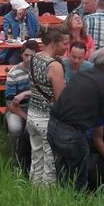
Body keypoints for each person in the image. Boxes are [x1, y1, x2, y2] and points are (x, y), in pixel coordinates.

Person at [48, 49, 104, 188]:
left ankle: (60, 197)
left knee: (62, 174)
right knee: (78, 181)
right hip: (71, 134)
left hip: (53, 126)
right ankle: (74, 200)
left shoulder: (83, 75)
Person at [27, 26, 70, 185]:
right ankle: (47, 196)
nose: (67, 47)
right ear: (53, 43)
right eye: (64, 43)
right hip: (46, 119)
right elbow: (61, 99)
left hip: (32, 115)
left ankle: (34, 190)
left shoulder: (34, 58)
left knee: (36, 158)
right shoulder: (54, 66)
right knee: (50, 164)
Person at [4, 39, 39, 171]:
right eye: (26, 55)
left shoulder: (40, 70)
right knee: (15, 129)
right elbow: (10, 103)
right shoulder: (13, 72)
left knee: (30, 130)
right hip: (17, 109)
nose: (29, 59)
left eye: (32, 55)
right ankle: (16, 162)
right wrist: (26, 117)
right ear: (21, 55)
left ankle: (32, 162)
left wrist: (26, 93)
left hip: (36, 107)